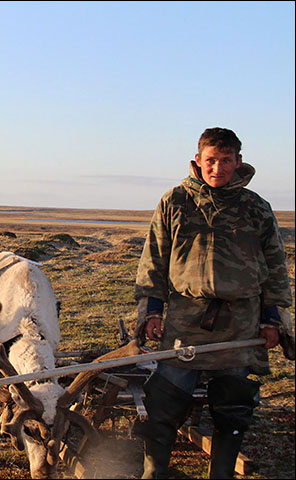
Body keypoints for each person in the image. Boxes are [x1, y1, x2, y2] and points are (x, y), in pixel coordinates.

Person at [133, 127, 293, 479]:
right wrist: (152, 311)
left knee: (232, 405)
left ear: (238, 162)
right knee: (164, 401)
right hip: (186, 322)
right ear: (197, 161)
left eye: (225, 161)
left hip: (240, 324)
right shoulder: (174, 201)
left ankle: (220, 474)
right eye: (210, 161)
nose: (216, 168)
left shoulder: (256, 209)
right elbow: (154, 261)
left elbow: (275, 268)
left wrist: (272, 319)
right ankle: (154, 472)